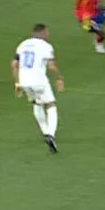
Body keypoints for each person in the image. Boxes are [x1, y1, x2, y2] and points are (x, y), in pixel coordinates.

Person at [12, 23, 66, 153]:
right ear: (43, 33)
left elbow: (14, 64)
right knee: (50, 105)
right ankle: (51, 134)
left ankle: (45, 132)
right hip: (39, 80)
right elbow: (51, 66)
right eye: (47, 32)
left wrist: (18, 83)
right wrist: (59, 77)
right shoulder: (46, 46)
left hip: (25, 81)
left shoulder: (23, 44)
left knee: (37, 103)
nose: (48, 35)